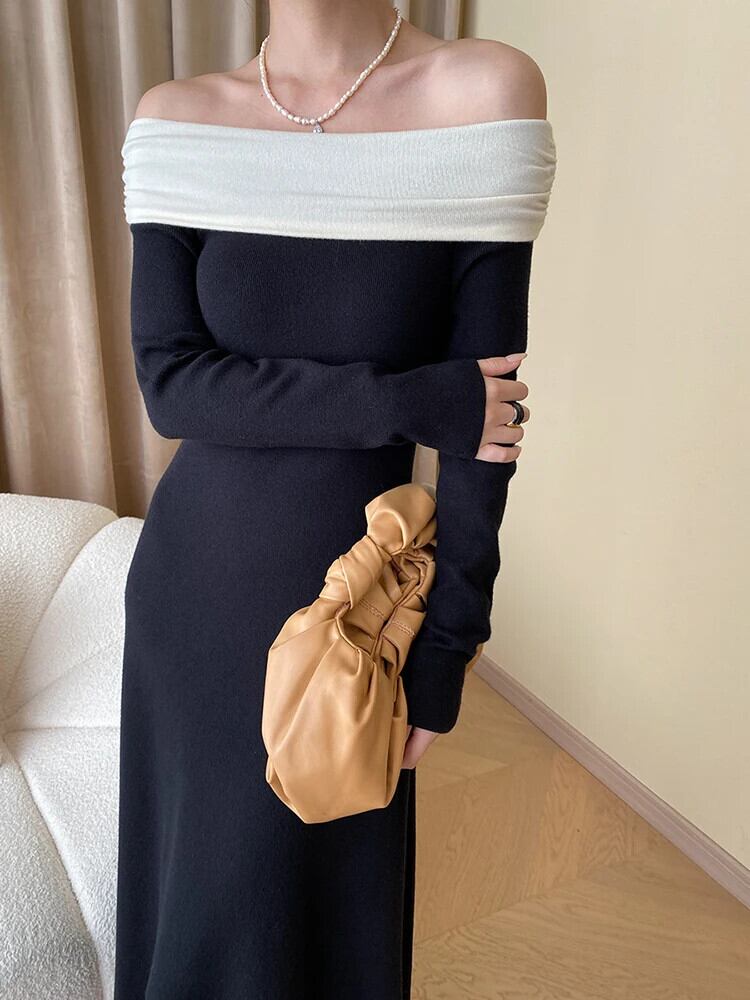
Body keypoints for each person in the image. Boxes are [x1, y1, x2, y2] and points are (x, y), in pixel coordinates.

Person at [114, 1, 556, 996]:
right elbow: (172, 385)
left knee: (312, 922)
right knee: (198, 909)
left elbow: (485, 430)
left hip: (355, 613)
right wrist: (406, 400)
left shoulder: (484, 92)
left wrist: (446, 649)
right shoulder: (178, 116)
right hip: (192, 598)